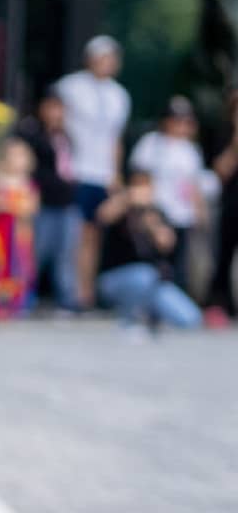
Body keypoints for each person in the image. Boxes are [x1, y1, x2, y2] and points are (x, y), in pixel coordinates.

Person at [56, 36, 131, 308]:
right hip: (76, 170)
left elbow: (115, 139)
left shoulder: (119, 95)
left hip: (102, 174)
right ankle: (70, 290)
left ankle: (86, 292)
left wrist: (115, 174)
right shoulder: (71, 87)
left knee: (94, 235)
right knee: (74, 234)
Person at [96, 170, 201, 333]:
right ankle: (129, 320)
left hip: (153, 283)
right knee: (145, 275)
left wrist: (151, 224)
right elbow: (102, 215)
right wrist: (128, 198)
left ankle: (150, 315)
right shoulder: (121, 211)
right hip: (114, 280)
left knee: (190, 318)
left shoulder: (155, 213)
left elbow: (167, 242)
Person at [129, 96, 207, 290]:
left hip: (183, 215)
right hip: (160, 213)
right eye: (176, 120)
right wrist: (150, 217)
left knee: (180, 268)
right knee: (156, 265)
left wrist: (199, 211)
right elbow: (140, 181)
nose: (181, 125)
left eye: (186, 121)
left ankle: (175, 306)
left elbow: (193, 184)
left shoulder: (191, 150)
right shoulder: (151, 143)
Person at [15, 89, 79, 310]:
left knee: (66, 254)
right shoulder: (32, 134)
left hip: (66, 201)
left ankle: (67, 299)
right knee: (36, 252)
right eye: (51, 107)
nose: (55, 113)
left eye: (59, 108)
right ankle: (24, 297)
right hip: (43, 202)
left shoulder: (65, 136)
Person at [0, 137, 39, 318]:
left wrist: (10, 204)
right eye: (13, 155)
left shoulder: (29, 184)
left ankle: (17, 303)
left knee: (20, 267)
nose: (17, 160)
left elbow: (31, 208)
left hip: (20, 234)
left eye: (20, 156)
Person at [205, 89, 238, 326]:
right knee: (224, 256)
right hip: (231, 204)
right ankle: (220, 304)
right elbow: (220, 172)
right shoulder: (224, 134)